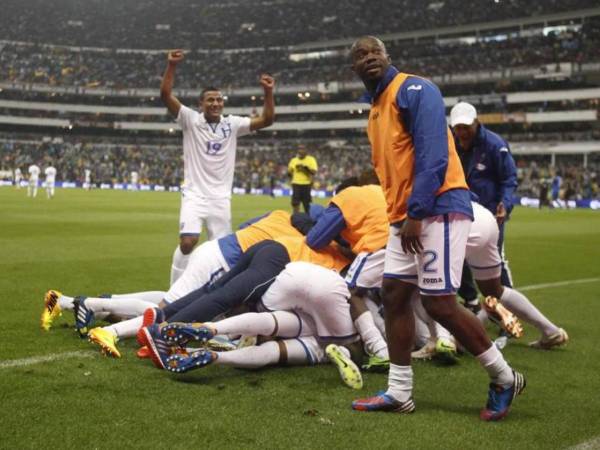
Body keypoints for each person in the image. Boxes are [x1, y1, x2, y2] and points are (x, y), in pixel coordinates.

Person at [348, 36, 524, 421]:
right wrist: (403, 215)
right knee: (393, 294)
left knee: (438, 302)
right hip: (404, 215)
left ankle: (504, 377)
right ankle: (399, 392)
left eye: (375, 51)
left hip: (436, 208)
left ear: (387, 56)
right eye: (361, 55)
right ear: (354, 69)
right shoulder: (375, 109)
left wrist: (416, 212)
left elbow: (434, 154)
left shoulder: (414, 89)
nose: (369, 57)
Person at [160, 49, 275, 286]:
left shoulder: (232, 124)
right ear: (201, 104)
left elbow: (267, 120)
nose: (216, 103)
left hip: (220, 198)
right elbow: (165, 94)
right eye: (210, 100)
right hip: (194, 194)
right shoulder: (190, 120)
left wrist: (268, 92)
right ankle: (174, 289)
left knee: (220, 249)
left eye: (219, 99)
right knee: (188, 241)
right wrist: (171, 66)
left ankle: (215, 292)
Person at [450, 102, 518, 290]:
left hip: (491, 215)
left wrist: (505, 204)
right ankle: (470, 300)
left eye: (466, 127)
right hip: (460, 211)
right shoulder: (450, 144)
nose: (462, 132)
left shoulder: (495, 145)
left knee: (495, 259)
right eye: (458, 128)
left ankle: (507, 306)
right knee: (455, 256)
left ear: (476, 123)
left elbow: (509, 178)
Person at [288, 145, 317, 213]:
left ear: (306, 151)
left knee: (307, 204)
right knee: (295, 203)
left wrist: (304, 169)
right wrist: (291, 172)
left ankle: (308, 218)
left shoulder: (311, 159)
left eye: (303, 149)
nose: (301, 151)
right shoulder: (293, 160)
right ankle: (296, 217)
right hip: (296, 183)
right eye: (299, 149)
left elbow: (314, 172)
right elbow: (289, 173)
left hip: (306, 184)